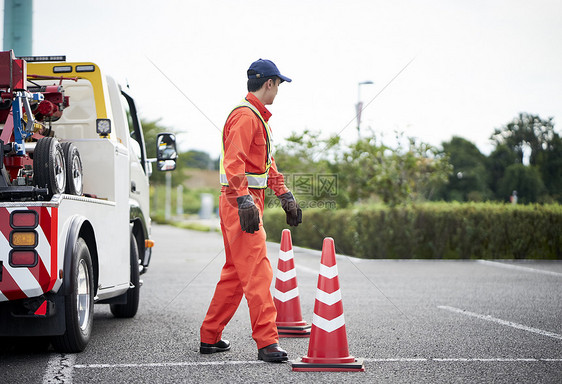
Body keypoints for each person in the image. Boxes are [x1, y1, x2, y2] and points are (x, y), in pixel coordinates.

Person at [199, 59, 302, 363]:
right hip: (239, 202)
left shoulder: (259, 118)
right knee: (258, 271)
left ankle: (210, 336)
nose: (278, 91)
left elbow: (266, 166)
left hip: (242, 200)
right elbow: (234, 162)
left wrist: (285, 195)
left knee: (235, 274)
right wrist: (244, 199)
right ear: (269, 83)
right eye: (279, 85)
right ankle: (267, 343)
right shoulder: (246, 117)